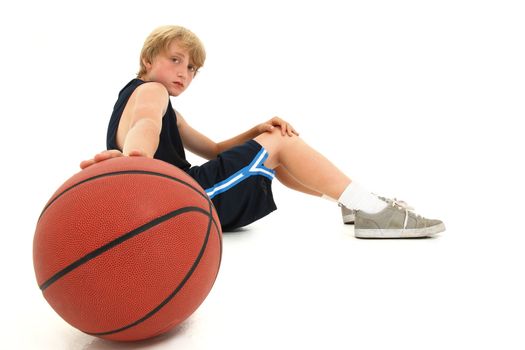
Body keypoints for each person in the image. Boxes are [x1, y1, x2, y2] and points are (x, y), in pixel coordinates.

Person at [80, 25, 445, 238]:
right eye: (175, 61)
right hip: (183, 199)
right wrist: (133, 161)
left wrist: (255, 130)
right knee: (280, 143)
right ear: (148, 61)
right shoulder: (151, 92)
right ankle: (373, 211)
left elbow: (214, 149)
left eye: (192, 68)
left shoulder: (162, 109)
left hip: (178, 193)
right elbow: (144, 126)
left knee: (272, 149)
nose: (184, 73)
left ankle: (353, 203)